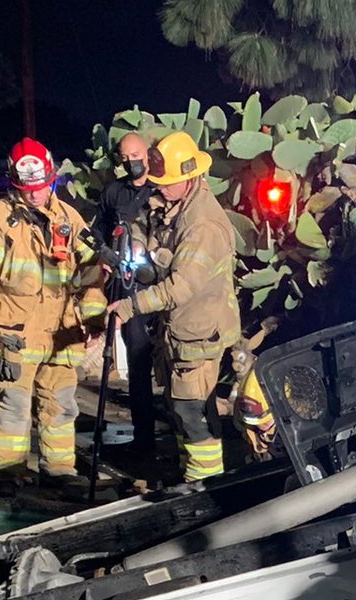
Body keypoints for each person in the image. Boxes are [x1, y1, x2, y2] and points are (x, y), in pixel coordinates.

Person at [0, 138, 105, 494]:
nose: (35, 193)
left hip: (61, 332)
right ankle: (7, 473)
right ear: (15, 183)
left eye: (41, 185)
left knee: (60, 405)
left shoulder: (69, 218)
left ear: (51, 178)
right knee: (14, 405)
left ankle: (59, 472)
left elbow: (91, 270)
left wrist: (94, 318)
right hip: (15, 331)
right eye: (27, 188)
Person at [108, 130, 239, 482]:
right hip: (181, 330)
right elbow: (146, 226)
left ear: (190, 177)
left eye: (167, 182)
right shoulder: (178, 205)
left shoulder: (203, 225)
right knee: (181, 408)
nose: (160, 188)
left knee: (193, 411)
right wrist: (138, 244)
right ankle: (190, 473)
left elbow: (181, 287)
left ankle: (204, 483)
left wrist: (130, 306)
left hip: (199, 332)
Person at [90, 131, 163, 451]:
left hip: (161, 286)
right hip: (127, 286)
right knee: (136, 363)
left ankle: (178, 432)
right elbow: (98, 231)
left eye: (136, 156)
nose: (131, 162)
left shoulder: (160, 189)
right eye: (125, 157)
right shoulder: (113, 193)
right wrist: (105, 254)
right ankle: (143, 438)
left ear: (147, 154)